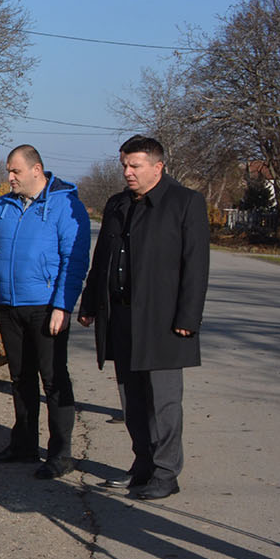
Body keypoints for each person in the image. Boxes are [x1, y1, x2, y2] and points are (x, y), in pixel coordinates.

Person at [78, 135, 209, 501]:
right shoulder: (117, 204)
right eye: (124, 165)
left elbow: (195, 267)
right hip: (120, 317)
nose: (128, 172)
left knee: (164, 402)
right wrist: (89, 303)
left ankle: (166, 473)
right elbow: (102, 259)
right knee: (131, 401)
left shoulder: (185, 202)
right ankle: (144, 465)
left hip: (164, 321)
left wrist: (188, 316)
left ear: (157, 167)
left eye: (135, 166)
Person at [0, 145, 91, 478]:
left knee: (52, 380)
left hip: (45, 306)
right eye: (9, 171)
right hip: (9, 305)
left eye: (15, 171)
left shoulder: (65, 205)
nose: (9, 177)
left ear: (36, 170)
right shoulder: (1, 208)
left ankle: (60, 454)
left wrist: (62, 306)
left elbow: (75, 259)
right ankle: (23, 445)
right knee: (20, 378)